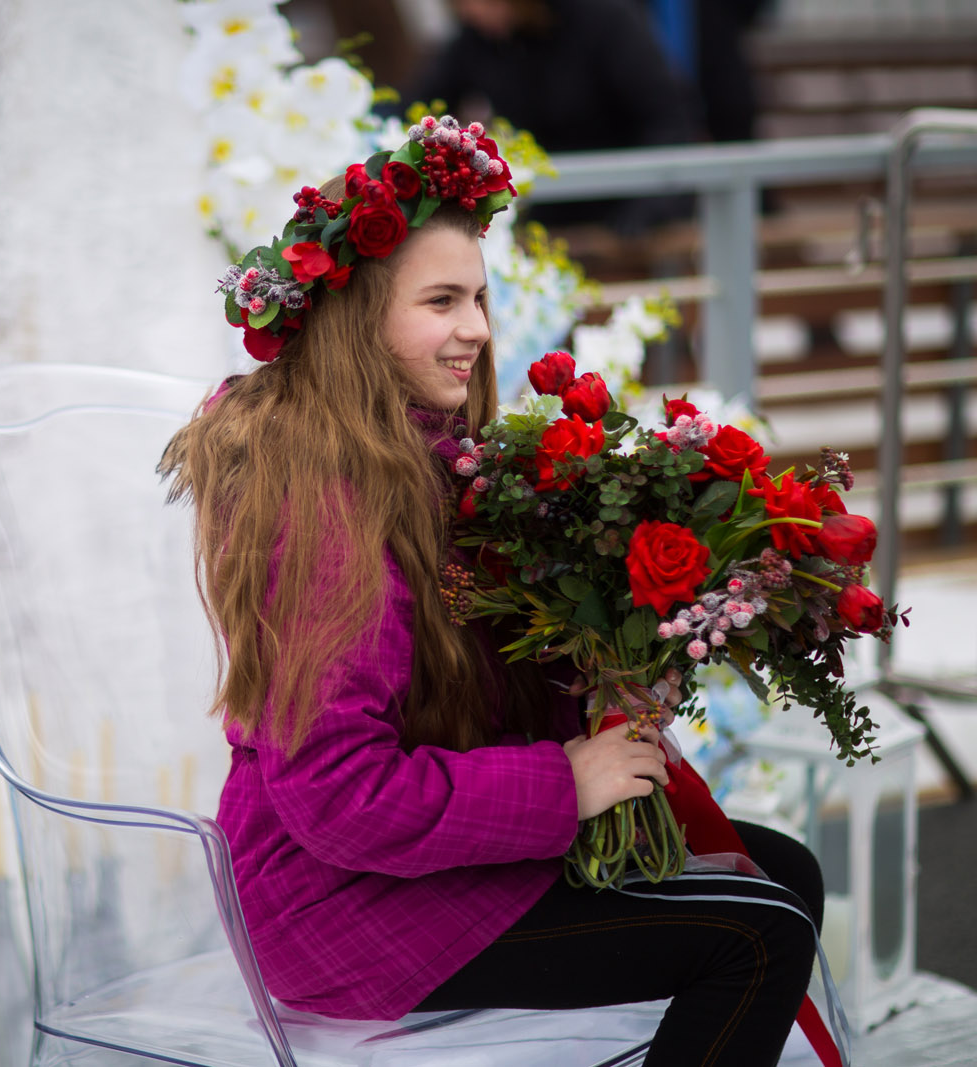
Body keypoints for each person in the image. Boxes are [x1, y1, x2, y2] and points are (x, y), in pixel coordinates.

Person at [159, 117, 832, 1066]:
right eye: (441, 300)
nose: (476, 328)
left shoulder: (432, 461)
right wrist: (566, 781)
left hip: (432, 861)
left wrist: (618, 649)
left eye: (479, 296)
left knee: (782, 872)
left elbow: (473, 665)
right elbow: (340, 792)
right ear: (359, 320)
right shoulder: (326, 510)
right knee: (756, 934)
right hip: (344, 903)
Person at [406, 0, 698, 233]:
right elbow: (418, 105)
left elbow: (668, 119)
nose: (471, 12)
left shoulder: (604, 20)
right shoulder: (479, 39)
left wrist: (647, 208)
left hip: (625, 214)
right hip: (544, 214)